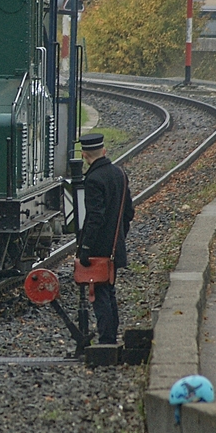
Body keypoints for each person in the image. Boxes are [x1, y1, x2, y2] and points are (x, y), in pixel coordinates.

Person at [77, 132, 134, 345]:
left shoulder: (93, 179)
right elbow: (128, 212)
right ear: (104, 151)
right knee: (109, 291)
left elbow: (95, 217)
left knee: (99, 292)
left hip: (98, 249)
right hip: (115, 245)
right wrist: (119, 236)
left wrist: (86, 247)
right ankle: (111, 334)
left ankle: (106, 338)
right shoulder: (119, 173)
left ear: (84, 155)